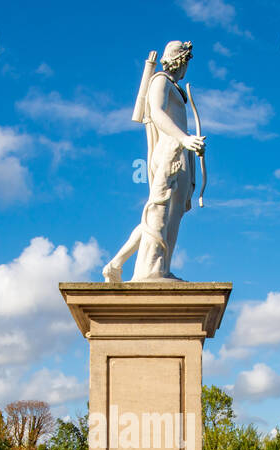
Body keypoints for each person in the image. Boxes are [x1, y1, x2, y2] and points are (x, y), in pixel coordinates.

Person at [102, 41, 205, 282]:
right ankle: (153, 271)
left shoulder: (172, 86)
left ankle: (119, 265)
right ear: (180, 61)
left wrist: (189, 144)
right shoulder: (160, 81)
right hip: (170, 151)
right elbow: (157, 112)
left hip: (180, 151)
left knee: (168, 213)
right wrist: (184, 138)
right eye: (187, 62)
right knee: (160, 210)